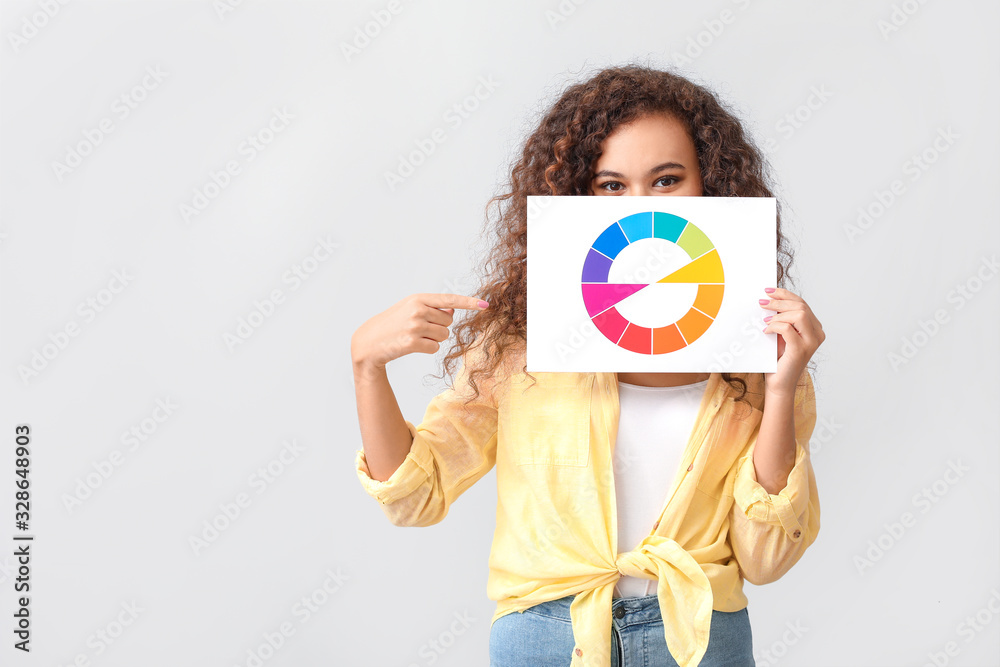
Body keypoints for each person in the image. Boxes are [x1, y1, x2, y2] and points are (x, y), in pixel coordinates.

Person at [350, 63, 825, 667]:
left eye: (667, 180)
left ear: (712, 185)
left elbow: (766, 559)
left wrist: (780, 391)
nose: (639, 206)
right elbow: (414, 498)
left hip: (698, 634)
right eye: (610, 185)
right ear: (576, 195)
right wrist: (368, 365)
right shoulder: (519, 345)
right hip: (548, 634)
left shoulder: (761, 355)